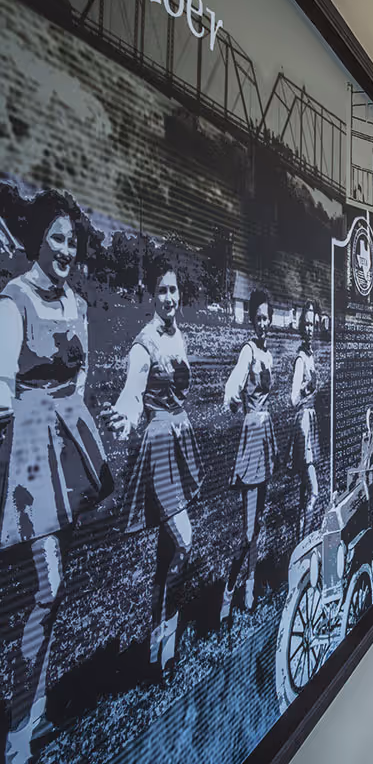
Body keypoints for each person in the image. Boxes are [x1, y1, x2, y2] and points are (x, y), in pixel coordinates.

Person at [0, 187, 113, 762]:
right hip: (28, 448)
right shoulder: (13, 299)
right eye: (58, 238)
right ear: (37, 240)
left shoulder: (76, 303)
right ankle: (18, 728)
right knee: (46, 588)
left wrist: (79, 417)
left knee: (57, 584)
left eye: (73, 239)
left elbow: (86, 364)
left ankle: (36, 709)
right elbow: (0, 385)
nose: (68, 249)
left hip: (69, 443)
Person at [103, 252, 202, 677]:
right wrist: (124, 417)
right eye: (160, 290)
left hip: (182, 438)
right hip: (160, 442)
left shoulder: (180, 337)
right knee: (184, 540)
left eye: (173, 289)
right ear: (150, 295)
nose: (168, 297)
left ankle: (162, 649)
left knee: (168, 552)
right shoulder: (143, 344)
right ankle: (161, 638)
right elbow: (133, 390)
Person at [220, 288, 275, 627]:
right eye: (258, 319)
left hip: (266, 438)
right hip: (252, 437)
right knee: (247, 532)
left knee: (258, 524)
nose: (263, 324)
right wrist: (237, 405)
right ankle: (227, 594)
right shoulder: (249, 351)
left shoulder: (269, 355)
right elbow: (233, 387)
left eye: (267, 318)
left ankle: (250, 591)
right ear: (252, 320)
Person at [290, 301, 320, 535]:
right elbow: (292, 399)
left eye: (313, 325)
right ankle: (306, 540)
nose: (310, 329)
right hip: (303, 423)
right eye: (306, 324)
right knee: (314, 491)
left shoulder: (311, 356)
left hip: (312, 420)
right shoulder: (301, 359)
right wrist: (306, 387)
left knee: (303, 491)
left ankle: (299, 535)